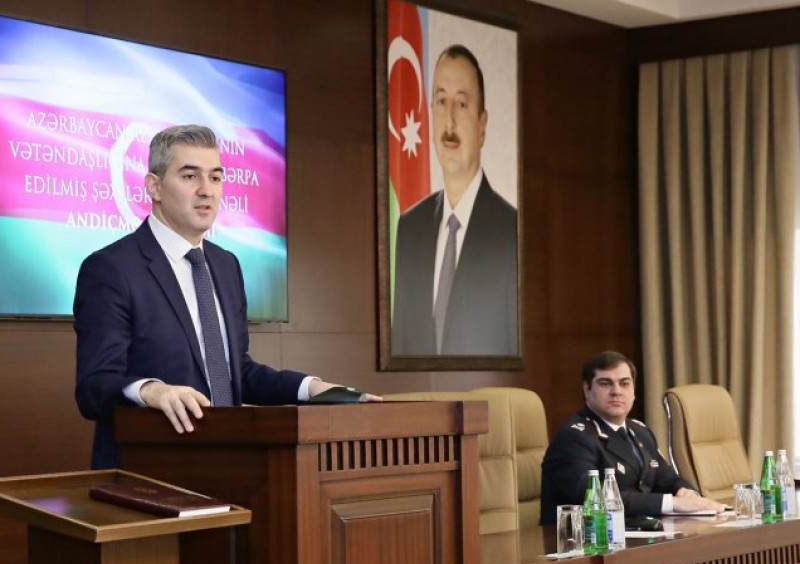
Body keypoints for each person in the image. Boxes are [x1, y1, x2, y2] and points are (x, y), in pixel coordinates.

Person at [74, 124, 376, 468]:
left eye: (215, 177)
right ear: (154, 187)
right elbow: (94, 388)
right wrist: (152, 391)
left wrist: (310, 389)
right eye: (190, 176)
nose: (206, 190)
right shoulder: (111, 268)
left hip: (229, 465)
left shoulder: (225, 265)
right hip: (148, 472)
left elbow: (236, 373)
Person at [391, 44, 518, 357]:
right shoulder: (410, 227)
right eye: (441, 102)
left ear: (482, 124)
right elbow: (402, 343)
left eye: (461, 104)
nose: (448, 123)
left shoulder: (511, 230)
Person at [539, 351, 724, 525]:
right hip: (585, 540)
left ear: (634, 390)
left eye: (624, 383)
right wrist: (671, 503)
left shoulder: (640, 431)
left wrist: (686, 493)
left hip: (637, 533)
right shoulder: (573, 437)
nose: (616, 391)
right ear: (587, 390)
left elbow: (665, 477)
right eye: (605, 383)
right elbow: (594, 498)